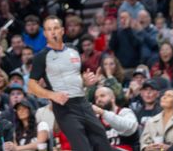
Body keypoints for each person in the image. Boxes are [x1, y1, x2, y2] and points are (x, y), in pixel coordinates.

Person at [28, 15, 111, 151]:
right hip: (65, 108)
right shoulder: (41, 57)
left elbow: (74, 76)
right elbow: (31, 86)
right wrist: (52, 95)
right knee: (82, 148)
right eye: (49, 29)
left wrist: (85, 81)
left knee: (103, 144)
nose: (53, 32)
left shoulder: (73, 49)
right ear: (45, 33)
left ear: (62, 31)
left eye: (55, 28)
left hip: (83, 103)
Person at [92, 86, 139, 151]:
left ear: (112, 98)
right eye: (96, 98)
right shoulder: (96, 120)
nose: (99, 100)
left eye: (102, 96)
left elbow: (129, 128)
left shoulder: (125, 112)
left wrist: (103, 113)